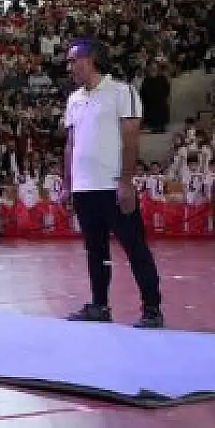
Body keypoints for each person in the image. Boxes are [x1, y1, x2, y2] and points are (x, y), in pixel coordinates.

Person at [60, 39, 164, 328]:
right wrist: (68, 184)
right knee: (95, 251)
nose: (69, 67)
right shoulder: (74, 99)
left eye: (73, 60)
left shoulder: (122, 92)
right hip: (84, 188)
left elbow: (131, 139)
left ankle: (152, 308)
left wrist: (126, 181)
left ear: (90, 58)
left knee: (134, 247)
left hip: (112, 185)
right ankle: (99, 305)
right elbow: (70, 144)